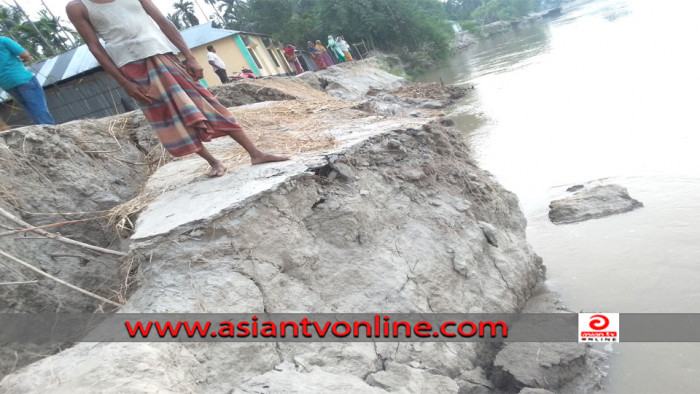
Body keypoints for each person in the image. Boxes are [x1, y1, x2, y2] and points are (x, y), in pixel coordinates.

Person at [66, 0, 287, 177]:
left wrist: (190, 57)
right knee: (170, 116)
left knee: (206, 103)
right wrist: (125, 83)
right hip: (132, 68)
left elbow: (163, 22)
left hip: (165, 57)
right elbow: (95, 48)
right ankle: (213, 162)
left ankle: (255, 153)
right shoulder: (78, 7)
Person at [0, 36, 55, 125]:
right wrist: (27, 59)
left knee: (28, 106)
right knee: (37, 104)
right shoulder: (3, 40)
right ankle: (48, 127)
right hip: (22, 78)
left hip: (6, 83)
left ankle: (41, 128)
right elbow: (24, 55)